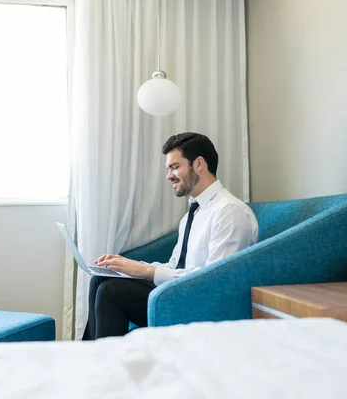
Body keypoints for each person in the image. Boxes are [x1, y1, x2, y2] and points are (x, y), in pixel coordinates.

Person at [82, 132, 258, 340]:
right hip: (181, 291)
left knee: (111, 292)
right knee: (101, 277)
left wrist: (146, 270)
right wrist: (129, 266)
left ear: (199, 164)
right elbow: (176, 266)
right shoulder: (194, 213)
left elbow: (213, 281)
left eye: (175, 167)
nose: (169, 176)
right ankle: (89, 356)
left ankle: (108, 365)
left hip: (200, 303)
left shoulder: (229, 211)